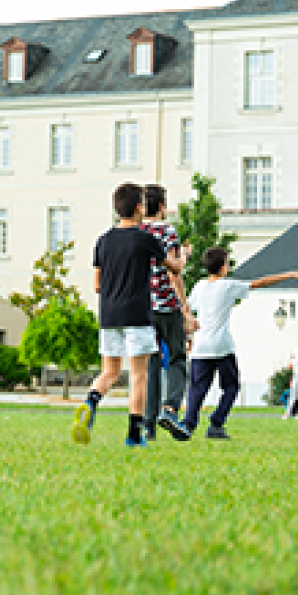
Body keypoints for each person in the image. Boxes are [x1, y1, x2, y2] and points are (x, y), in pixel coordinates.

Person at [73, 182, 186, 448]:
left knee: (109, 373)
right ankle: (134, 436)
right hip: (137, 314)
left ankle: (90, 401)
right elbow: (175, 269)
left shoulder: (102, 241)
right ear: (138, 208)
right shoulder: (146, 239)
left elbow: (97, 285)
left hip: (109, 315)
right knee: (138, 375)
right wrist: (185, 257)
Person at [182, 248, 298, 441]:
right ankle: (216, 424)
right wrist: (290, 274)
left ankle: (188, 425)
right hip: (222, 346)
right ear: (223, 268)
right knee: (231, 386)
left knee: (197, 389)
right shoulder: (228, 286)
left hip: (201, 347)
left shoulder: (199, 286)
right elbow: (261, 282)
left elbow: (187, 308)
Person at [139, 184, 194, 441]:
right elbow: (175, 272)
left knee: (150, 365)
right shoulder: (166, 230)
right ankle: (170, 409)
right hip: (167, 305)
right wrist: (185, 307)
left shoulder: (137, 231)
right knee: (178, 359)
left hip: (143, 307)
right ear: (161, 206)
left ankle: (148, 424)